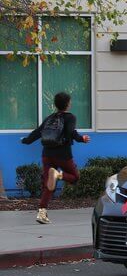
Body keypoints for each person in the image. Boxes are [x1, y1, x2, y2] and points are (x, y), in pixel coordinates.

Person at [21, 92, 90, 224]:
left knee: (48, 184)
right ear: (68, 104)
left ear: (56, 104)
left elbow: (38, 132)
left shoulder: (49, 118)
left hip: (47, 154)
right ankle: (58, 175)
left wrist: (26, 140)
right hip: (63, 154)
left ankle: (42, 213)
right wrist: (82, 139)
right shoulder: (70, 117)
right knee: (75, 177)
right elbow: (70, 132)